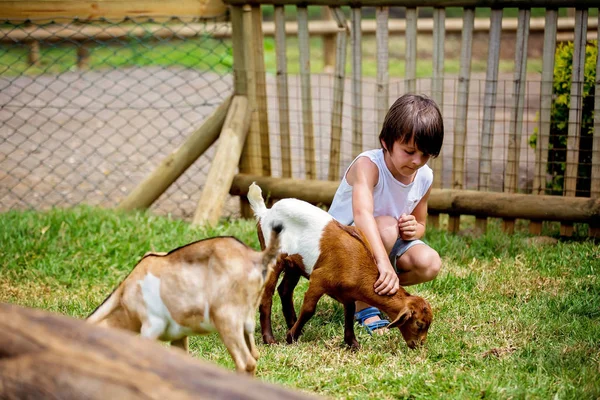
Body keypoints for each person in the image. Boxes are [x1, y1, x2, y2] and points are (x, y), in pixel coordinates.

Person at [328, 93, 444, 334]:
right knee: (386, 228)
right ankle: (364, 305)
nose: (417, 161)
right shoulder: (368, 166)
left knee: (430, 263)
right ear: (385, 142)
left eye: (425, 155)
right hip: (341, 250)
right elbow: (362, 215)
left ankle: (380, 292)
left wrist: (415, 228)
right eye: (409, 151)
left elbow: (421, 223)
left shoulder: (424, 176)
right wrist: (383, 263)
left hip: (387, 241)